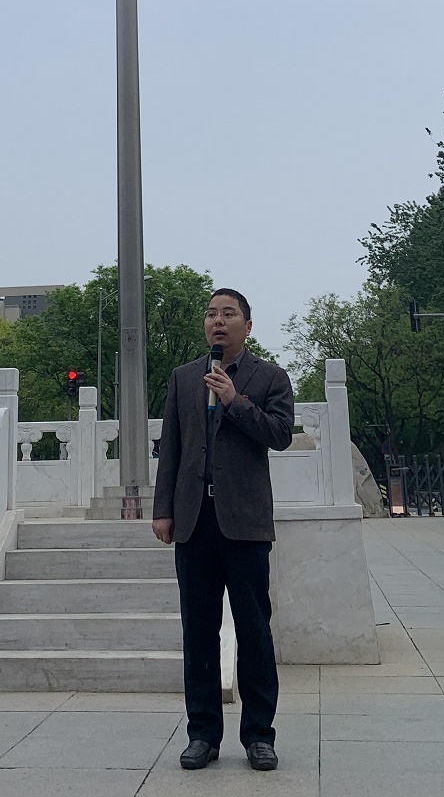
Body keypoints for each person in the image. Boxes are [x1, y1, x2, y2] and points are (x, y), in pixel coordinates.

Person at [153, 288, 295, 771]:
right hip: (195, 520)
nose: (218, 321)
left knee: (254, 630)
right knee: (198, 631)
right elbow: (171, 447)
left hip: (245, 522)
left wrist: (235, 401)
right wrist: (163, 509)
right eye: (211, 313)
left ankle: (258, 735)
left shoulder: (270, 377)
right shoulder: (184, 377)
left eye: (228, 314)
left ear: (247, 326)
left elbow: (280, 435)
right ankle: (202, 735)